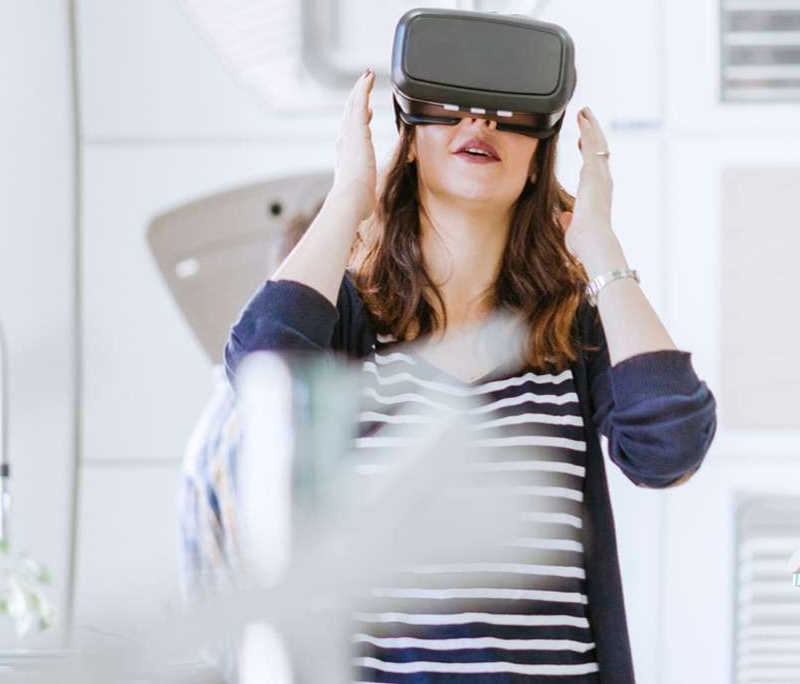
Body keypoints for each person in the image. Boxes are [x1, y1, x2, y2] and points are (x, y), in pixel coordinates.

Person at [224, 68, 716, 683]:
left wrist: (601, 248)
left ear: (539, 160)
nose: (480, 121)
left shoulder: (571, 332)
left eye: (510, 111)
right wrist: (348, 197)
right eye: (451, 105)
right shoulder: (352, 324)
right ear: (409, 141)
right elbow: (263, 372)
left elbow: (670, 447)